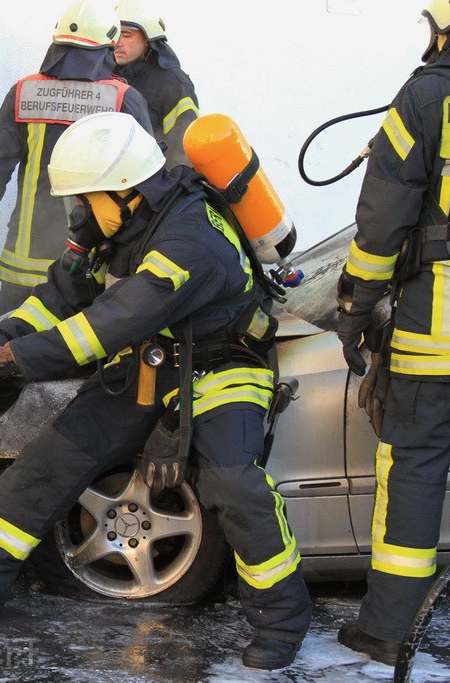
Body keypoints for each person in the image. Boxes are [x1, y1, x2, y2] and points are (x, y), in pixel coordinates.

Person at [0, 112, 313, 671]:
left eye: (84, 197)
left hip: (221, 365)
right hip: (151, 363)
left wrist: (15, 361)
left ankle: (281, 619)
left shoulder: (192, 237)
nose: (76, 212)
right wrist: (3, 337)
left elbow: (108, 324)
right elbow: (57, 296)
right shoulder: (112, 226)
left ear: (124, 189)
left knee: (234, 482)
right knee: (47, 464)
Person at [335, 0, 450, 666]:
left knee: (414, 474)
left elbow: (381, 228)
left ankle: (386, 627)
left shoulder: (427, 97)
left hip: (434, 339)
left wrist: (355, 312)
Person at [0, 0, 153, 316]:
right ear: (108, 47)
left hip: (24, 266)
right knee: (75, 356)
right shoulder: (123, 98)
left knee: (6, 351)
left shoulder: (24, 91)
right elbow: (146, 181)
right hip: (91, 263)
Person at [113, 0, 200, 168]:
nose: (118, 42)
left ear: (147, 40)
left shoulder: (174, 84)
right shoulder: (106, 77)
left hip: (154, 185)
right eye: (114, 34)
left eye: (127, 35)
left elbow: (181, 150)